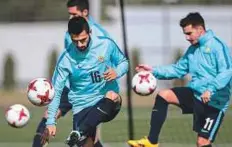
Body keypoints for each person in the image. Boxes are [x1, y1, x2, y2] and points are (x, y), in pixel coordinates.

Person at [127, 12, 232, 147]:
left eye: (189, 33)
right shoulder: (192, 49)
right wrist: (152, 71)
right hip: (196, 95)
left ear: (200, 29)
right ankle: (152, 141)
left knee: (202, 142)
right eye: (185, 34)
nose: (187, 38)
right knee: (164, 95)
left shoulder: (217, 46)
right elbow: (178, 69)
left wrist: (211, 90)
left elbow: (227, 71)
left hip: (214, 103)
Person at [32, 0, 112, 146]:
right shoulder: (70, 32)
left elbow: (109, 66)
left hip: (89, 92)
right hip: (69, 85)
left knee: (88, 140)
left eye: (73, 14)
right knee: (49, 115)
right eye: (69, 14)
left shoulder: (101, 36)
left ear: (85, 12)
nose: (70, 18)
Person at [45, 16, 128, 147]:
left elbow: (124, 63)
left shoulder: (106, 44)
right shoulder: (65, 60)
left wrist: (117, 71)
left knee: (112, 96)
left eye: (83, 40)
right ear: (70, 37)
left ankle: (80, 132)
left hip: (107, 101)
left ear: (90, 33)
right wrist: (50, 121)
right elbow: (57, 91)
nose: (80, 45)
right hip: (82, 107)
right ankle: (81, 132)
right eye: (75, 41)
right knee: (87, 144)